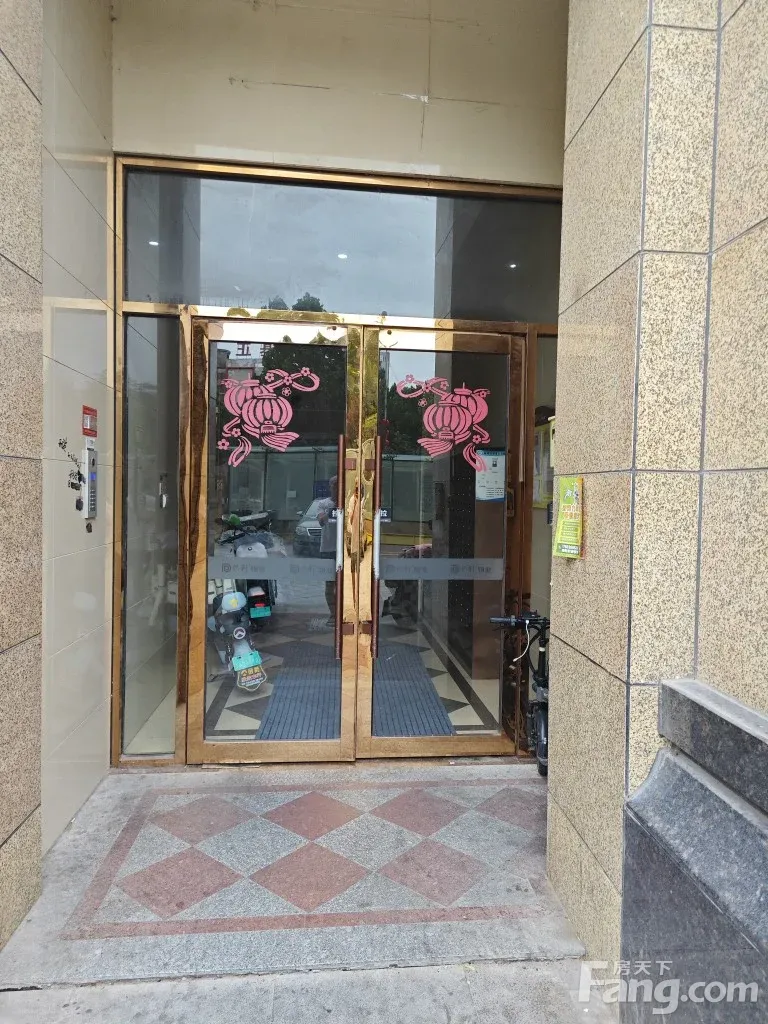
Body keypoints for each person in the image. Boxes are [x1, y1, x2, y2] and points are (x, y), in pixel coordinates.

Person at [316, 476, 338, 625]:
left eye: (339, 485)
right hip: (328, 549)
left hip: (346, 549)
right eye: (334, 485)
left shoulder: (351, 502)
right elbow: (320, 520)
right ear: (330, 487)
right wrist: (334, 508)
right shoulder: (323, 503)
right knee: (330, 583)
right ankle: (333, 613)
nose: (336, 488)